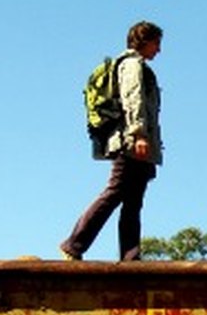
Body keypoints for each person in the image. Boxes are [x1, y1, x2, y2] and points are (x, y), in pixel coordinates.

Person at [61, 21, 163, 261]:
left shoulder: (139, 66)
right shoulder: (131, 65)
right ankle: (73, 244)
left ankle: (130, 257)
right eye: (156, 43)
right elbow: (132, 99)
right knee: (115, 192)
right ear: (144, 41)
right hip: (130, 144)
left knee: (133, 202)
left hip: (138, 145)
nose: (158, 49)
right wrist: (138, 134)